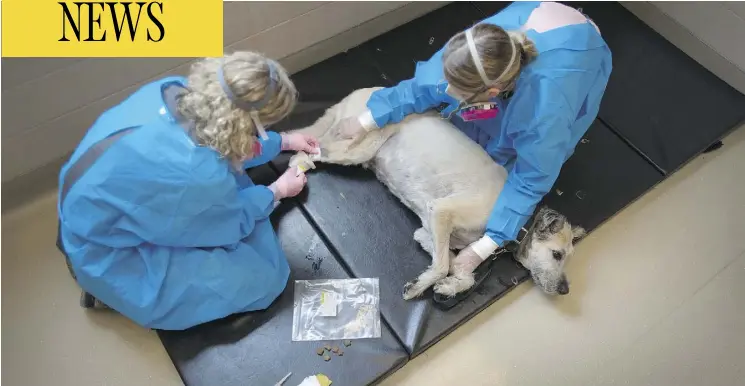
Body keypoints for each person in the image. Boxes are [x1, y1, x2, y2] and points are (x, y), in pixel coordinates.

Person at [338, 2, 611, 278]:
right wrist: (367, 120)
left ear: (492, 90)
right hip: (534, 14)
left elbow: (531, 180)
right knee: (461, 117)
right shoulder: (473, 52)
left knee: (516, 161)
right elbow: (424, 87)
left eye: (460, 92)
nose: (446, 90)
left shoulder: (545, 111)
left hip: (577, 49)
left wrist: (484, 247)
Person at [57, 51, 319, 330]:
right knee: (265, 275)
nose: (264, 133)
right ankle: (108, 292)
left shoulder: (173, 90)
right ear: (245, 125)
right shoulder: (196, 175)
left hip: (91, 206)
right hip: (108, 254)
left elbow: (222, 144)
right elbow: (230, 222)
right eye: (264, 128)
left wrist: (282, 143)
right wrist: (277, 190)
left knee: (228, 179)